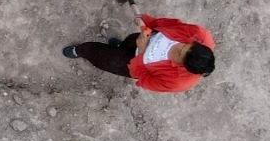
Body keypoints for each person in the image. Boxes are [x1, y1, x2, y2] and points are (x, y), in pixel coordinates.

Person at [62, 14, 215, 93]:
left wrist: (142, 52)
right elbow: (172, 24)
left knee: (105, 59)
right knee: (128, 41)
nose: (178, 47)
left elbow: (146, 80)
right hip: (143, 38)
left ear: (184, 66)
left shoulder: (178, 82)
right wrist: (147, 21)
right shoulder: (200, 34)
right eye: (184, 45)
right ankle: (120, 47)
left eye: (179, 54)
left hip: (133, 63)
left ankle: (82, 50)